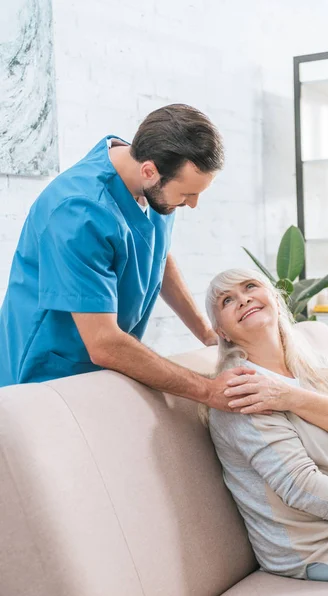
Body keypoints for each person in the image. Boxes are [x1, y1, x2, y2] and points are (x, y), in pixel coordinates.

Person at [0, 104, 253, 410]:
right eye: (187, 195)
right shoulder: (78, 213)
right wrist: (208, 391)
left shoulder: (152, 175)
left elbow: (154, 250)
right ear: (149, 171)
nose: (194, 204)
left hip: (100, 368)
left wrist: (206, 332)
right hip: (46, 378)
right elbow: (104, 343)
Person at [200, 267, 328, 581]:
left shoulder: (311, 362)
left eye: (250, 286)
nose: (243, 299)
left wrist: (291, 397)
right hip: (320, 544)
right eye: (227, 300)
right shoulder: (240, 392)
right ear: (222, 332)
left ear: (275, 301)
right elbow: (305, 490)